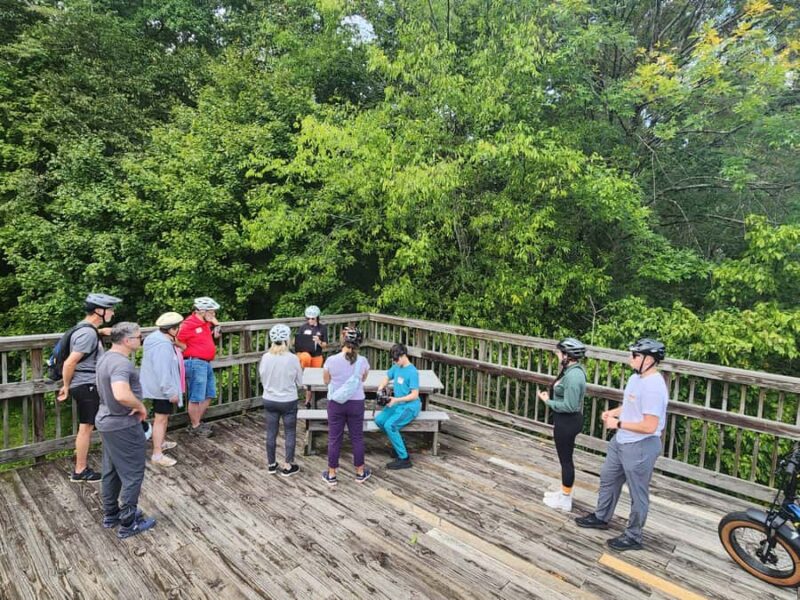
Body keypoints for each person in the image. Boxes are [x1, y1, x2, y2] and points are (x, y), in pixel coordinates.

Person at [575, 338, 668, 551]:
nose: (630, 359)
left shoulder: (654, 387)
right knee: (608, 478)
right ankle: (601, 517)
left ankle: (634, 536)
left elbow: (649, 425)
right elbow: (630, 404)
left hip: (641, 445)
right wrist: (614, 413)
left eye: (634, 355)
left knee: (638, 492)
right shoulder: (636, 378)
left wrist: (617, 423)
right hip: (622, 440)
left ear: (649, 360)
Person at [95, 322, 156, 539]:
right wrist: (139, 406)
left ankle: (111, 514)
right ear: (128, 340)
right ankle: (128, 522)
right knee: (132, 473)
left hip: (106, 421)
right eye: (139, 336)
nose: (141, 339)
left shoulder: (105, 358)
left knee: (111, 470)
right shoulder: (121, 364)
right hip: (122, 424)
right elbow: (121, 394)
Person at [57, 292, 121, 482]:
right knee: (86, 427)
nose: (113, 313)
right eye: (110, 309)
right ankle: (80, 471)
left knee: (94, 423)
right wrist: (66, 386)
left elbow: (88, 338)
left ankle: (90, 465)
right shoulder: (87, 333)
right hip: (86, 386)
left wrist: (102, 331)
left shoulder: (87, 329)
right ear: (98, 311)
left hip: (87, 384)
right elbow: (70, 363)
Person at [537, 338, 587, 512]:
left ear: (567, 355)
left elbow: (570, 406)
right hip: (565, 421)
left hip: (568, 422)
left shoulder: (573, 376)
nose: (557, 355)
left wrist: (547, 401)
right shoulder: (571, 370)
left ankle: (565, 500)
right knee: (565, 459)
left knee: (566, 461)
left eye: (559, 352)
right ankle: (564, 492)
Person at [322, 327, 371, 486]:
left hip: (336, 403)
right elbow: (363, 379)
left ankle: (332, 474)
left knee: (334, 438)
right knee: (357, 437)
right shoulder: (363, 361)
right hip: (356, 402)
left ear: (343, 341)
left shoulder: (331, 360)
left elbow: (326, 381)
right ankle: (360, 472)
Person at [258, 324, 303, 476]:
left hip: (269, 399)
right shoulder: (292, 358)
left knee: (271, 432)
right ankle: (288, 466)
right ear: (287, 339)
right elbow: (300, 381)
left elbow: (262, 378)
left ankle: (271, 464)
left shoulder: (265, 357)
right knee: (290, 432)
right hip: (288, 400)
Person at [141, 312, 185, 467]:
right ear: (171, 330)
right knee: (161, 419)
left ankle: (162, 442)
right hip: (161, 388)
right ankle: (157, 454)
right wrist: (170, 391)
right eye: (177, 327)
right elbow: (163, 371)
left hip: (155, 386)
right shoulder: (163, 345)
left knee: (163, 417)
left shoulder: (154, 338)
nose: (179, 329)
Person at [177, 297, 221, 436]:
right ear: (202, 311)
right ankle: (196, 426)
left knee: (209, 393)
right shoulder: (188, 323)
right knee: (196, 396)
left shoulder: (205, 322)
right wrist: (186, 348)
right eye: (212, 312)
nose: (214, 315)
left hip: (205, 362)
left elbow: (212, 324)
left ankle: (195, 423)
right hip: (194, 362)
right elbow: (176, 339)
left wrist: (216, 324)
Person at [375, 344, 420, 470]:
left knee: (391, 425)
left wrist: (396, 400)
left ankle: (404, 458)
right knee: (379, 421)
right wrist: (381, 388)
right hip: (397, 404)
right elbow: (387, 376)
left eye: (396, 359)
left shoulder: (412, 372)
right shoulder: (397, 366)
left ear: (403, 356)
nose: (394, 362)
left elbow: (415, 395)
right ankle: (399, 444)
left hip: (410, 406)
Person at [294, 305, 328, 407]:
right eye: (308, 318)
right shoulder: (303, 327)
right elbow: (297, 341)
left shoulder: (322, 328)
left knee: (314, 380)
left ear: (317, 317)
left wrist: (319, 341)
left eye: (312, 318)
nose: (310, 320)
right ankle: (307, 399)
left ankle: (309, 402)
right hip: (305, 354)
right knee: (306, 362)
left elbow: (325, 345)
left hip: (316, 355)